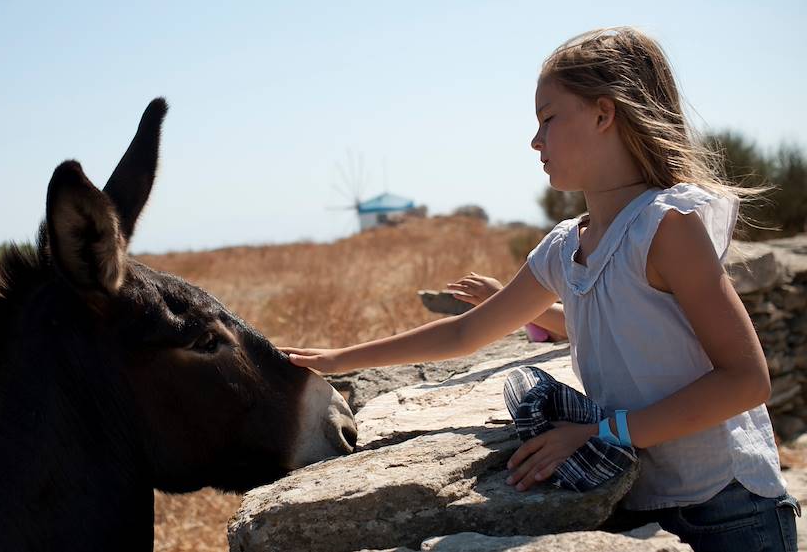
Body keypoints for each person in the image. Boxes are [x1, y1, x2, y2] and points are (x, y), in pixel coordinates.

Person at [284, 27, 799, 551]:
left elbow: (746, 381)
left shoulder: (665, 227)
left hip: (728, 507)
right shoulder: (563, 247)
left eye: (548, 119)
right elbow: (465, 333)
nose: (535, 141)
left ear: (604, 114)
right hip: (637, 499)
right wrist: (338, 359)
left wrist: (601, 433)